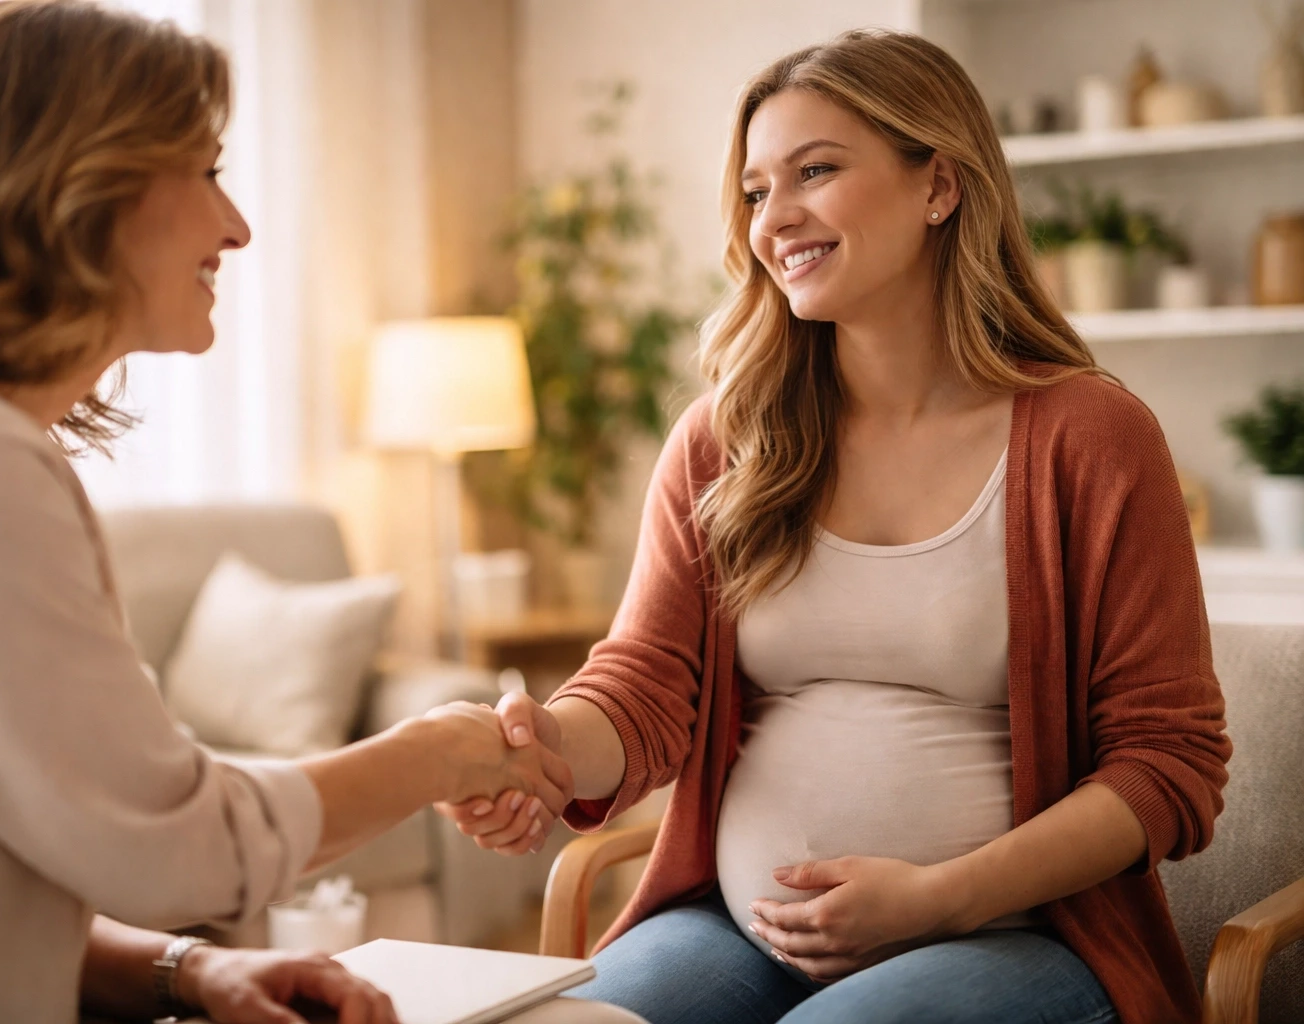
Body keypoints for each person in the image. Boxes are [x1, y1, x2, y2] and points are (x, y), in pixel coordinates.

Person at [0, 4, 571, 1023]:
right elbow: (175, 843)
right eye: (204, 171)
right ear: (79, 186)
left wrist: (186, 971)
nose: (236, 226)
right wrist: (432, 755)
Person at [441, 29, 1231, 1024]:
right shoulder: (727, 440)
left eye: (816, 171)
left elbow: (1169, 763)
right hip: (739, 930)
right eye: (757, 190)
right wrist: (542, 747)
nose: (777, 220)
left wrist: (945, 893)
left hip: (1019, 937)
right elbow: (645, 689)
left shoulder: (1092, 437)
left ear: (938, 184)